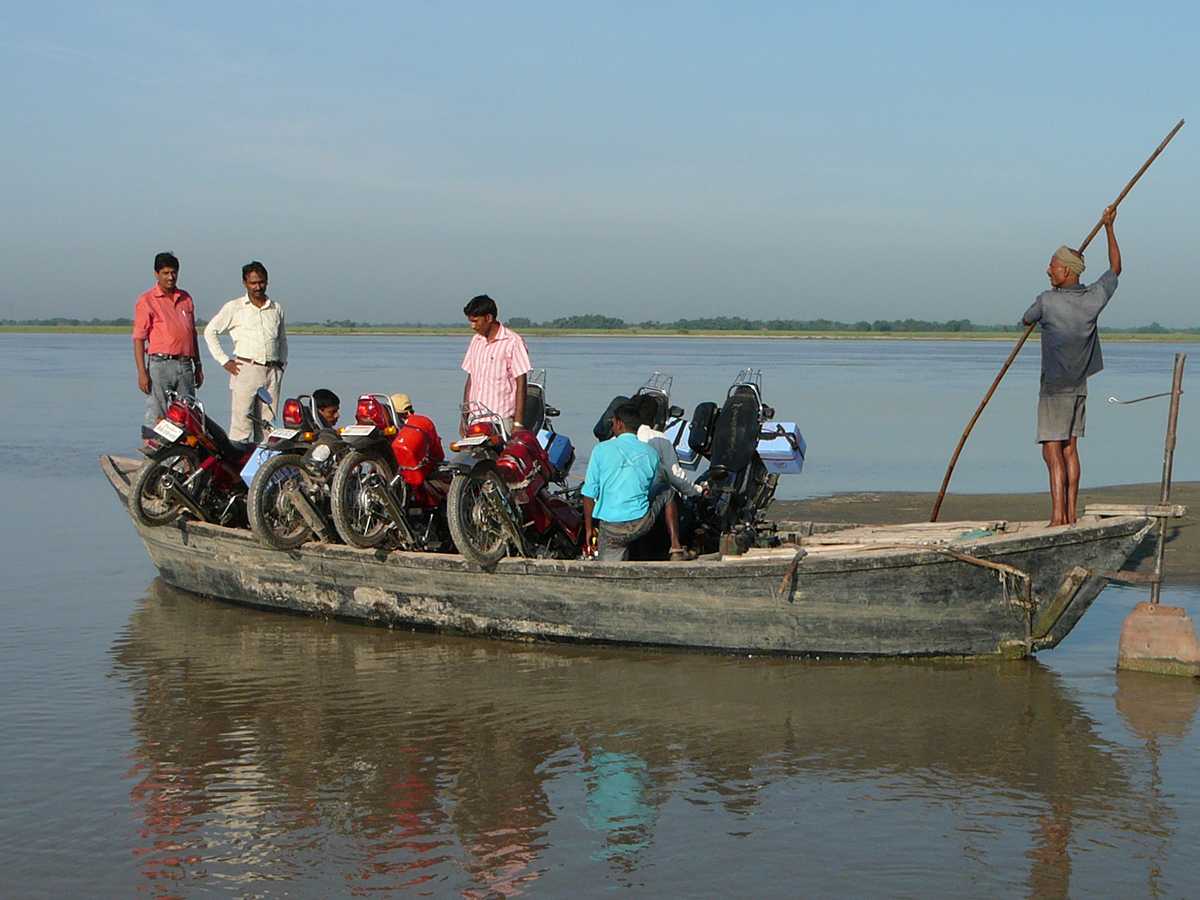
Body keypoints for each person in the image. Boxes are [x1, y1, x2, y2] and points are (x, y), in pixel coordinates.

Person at [1022, 206, 1122, 526]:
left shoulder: (1047, 301)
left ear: (1066, 271)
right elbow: (1116, 268)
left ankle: (1058, 518)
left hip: (1053, 389)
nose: (1048, 271)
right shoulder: (1093, 298)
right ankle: (1070, 514)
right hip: (1079, 387)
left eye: (1053, 266)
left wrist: (1106, 224)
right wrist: (1109, 227)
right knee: (1070, 450)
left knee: (1052, 453)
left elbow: (1026, 318)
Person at [582, 403, 688, 562]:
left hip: (611, 529)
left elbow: (589, 494)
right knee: (667, 491)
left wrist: (589, 529)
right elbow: (650, 488)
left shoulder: (600, 450)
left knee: (610, 565)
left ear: (619, 424)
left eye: (613, 422)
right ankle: (675, 546)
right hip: (640, 524)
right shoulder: (651, 453)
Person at [204, 261, 288, 443]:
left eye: (261, 282)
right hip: (246, 369)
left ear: (267, 282)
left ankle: (263, 468)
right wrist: (224, 361)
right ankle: (235, 467)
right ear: (245, 283)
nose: (258, 287)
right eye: (253, 283)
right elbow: (210, 331)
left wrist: (282, 364)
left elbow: (282, 339)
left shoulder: (276, 308)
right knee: (241, 424)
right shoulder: (235, 307)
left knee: (268, 424)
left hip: (272, 371)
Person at [132, 251, 204, 438]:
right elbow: (139, 338)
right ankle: (153, 461)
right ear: (157, 274)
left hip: (186, 364)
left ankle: (182, 461)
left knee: (187, 413)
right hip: (160, 364)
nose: (170, 277)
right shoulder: (146, 300)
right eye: (165, 273)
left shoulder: (185, 298)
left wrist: (198, 365)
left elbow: (192, 334)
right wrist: (142, 372)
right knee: (158, 412)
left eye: (173, 272)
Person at [634, 394, 706, 554]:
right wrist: (697, 491)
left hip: (615, 511)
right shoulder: (659, 439)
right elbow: (676, 477)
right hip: (645, 507)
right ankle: (675, 546)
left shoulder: (614, 439)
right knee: (671, 495)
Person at [460, 294, 531, 435]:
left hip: (501, 420)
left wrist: (518, 424)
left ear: (488, 318)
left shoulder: (512, 342)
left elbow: (521, 383)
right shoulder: (476, 341)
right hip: (476, 419)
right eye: (470, 322)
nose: (472, 326)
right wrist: (464, 417)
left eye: (475, 321)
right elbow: (470, 380)